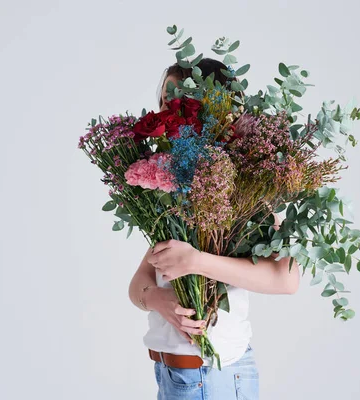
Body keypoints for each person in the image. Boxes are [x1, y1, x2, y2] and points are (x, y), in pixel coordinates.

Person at [128, 58, 300, 400]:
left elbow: (286, 280)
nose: (170, 109)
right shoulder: (176, 189)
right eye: (166, 100)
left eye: (183, 100)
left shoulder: (242, 187)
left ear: (213, 108)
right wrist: (158, 300)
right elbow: (138, 285)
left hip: (212, 375)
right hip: (173, 375)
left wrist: (196, 262)